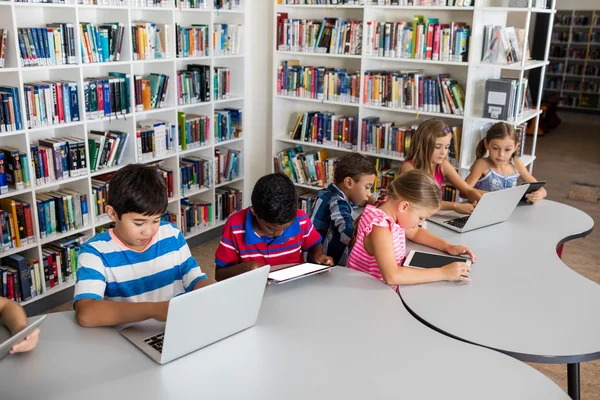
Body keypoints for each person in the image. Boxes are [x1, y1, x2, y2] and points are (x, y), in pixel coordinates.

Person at [74, 164, 214, 327]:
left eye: (156, 220)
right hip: (125, 336)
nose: (148, 231)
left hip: (175, 328)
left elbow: (194, 279)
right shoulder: (95, 252)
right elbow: (86, 314)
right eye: (139, 223)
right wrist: (154, 310)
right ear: (112, 213)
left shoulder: (172, 235)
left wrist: (212, 290)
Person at [347, 170, 476, 289]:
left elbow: (415, 232)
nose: (421, 223)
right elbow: (392, 276)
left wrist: (447, 246)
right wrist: (442, 273)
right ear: (404, 206)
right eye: (420, 217)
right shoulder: (380, 227)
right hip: (370, 292)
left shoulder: (390, 208)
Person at [215, 173, 333, 280]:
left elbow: (314, 244)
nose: (279, 233)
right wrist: (245, 269)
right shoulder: (235, 227)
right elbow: (219, 274)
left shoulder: (301, 219)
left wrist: (318, 254)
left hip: (292, 287)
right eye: (271, 228)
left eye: (286, 227)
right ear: (254, 212)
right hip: (254, 292)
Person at [399, 119, 481, 214]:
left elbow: (467, 190)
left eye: (446, 147)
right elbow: (423, 202)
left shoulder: (442, 165)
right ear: (424, 145)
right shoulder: (409, 168)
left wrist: (481, 202)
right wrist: (455, 206)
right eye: (438, 147)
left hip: (428, 216)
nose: (443, 152)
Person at [310, 153, 376, 266]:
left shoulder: (329, 193)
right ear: (349, 183)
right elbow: (348, 232)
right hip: (323, 264)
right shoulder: (336, 201)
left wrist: (375, 202)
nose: (369, 194)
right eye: (367, 187)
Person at [465, 122, 547, 203]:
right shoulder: (482, 164)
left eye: (507, 150)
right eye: (495, 148)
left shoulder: (516, 163)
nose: (501, 154)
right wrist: (494, 196)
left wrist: (539, 194)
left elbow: (541, 188)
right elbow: (464, 191)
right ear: (487, 144)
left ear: (515, 147)